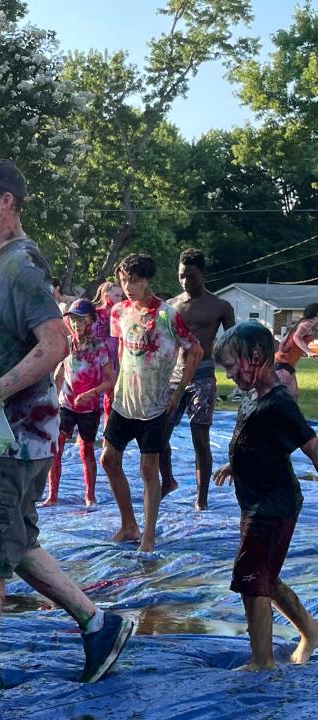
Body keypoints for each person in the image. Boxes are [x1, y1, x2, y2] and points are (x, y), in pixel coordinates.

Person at [0, 159, 133, 699]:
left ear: (7, 200)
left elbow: (56, 343)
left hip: (12, 439)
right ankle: (99, 624)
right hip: (4, 439)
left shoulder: (22, 266)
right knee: (15, 543)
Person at [212, 322, 318, 671]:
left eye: (230, 366)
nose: (229, 375)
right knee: (265, 578)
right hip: (258, 501)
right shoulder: (254, 397)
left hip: (273, 505)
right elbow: (259, 442)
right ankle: (310, 631)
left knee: (250, 578)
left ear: (256, 356)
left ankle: (263, 659)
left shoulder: (279, 402)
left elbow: (312, 445)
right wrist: (235, 463)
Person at [101, 253, 202, 552]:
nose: (128, 286)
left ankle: (148, 534)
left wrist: (179, 389)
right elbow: (122, 352)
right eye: (123, 280)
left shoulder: (167, 315)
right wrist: (116, 385)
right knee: (109, 460)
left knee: (149, 468)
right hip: (124, 402)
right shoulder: (119, 312)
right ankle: (128, 524)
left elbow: (194, 351)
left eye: (134, 280)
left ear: (148, 281)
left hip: (155, 404)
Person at [158, 249, 235, 510]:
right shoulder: (171, 305)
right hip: (174, 376)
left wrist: (232, 370)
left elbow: (230, 343)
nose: (185, 282)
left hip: (202, 375)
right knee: (159, 435)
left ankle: (201, 499)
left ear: (202, 274)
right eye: (181, 276)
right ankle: (167, 480)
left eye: (191, 276)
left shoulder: (220, 306)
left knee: (200, 438)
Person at [42, 298, 116, 507]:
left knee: (87, 451)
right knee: (57, 449)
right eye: (73, 320)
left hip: (88, 409)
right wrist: (53, 400)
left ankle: (90, 495)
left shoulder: (99, 347)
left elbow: (111, 379)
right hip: (66, 405)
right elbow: (59, 373)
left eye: (81, 320)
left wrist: (93, 393)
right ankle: (52, 495)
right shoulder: (67, 344)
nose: (77, 324)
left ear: (91, 320)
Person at [92, 280, 124, 429]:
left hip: (114, 361)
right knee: (90, 399)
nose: (120, 299)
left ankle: (108, 433)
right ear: (106, 295)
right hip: (95, 361)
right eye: (117, 295)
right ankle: (85, 434)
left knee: (110, 400)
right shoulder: (95, 315)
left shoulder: (121, 315)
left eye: (121, 296)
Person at [274, 303, 318, 400]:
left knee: (292, 397)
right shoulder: (306, 324)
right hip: (283, 364)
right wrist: (308, 351)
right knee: (285, 398)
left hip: (285, 364)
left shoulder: (305, 324)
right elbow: (296, 337)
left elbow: (285, 339)